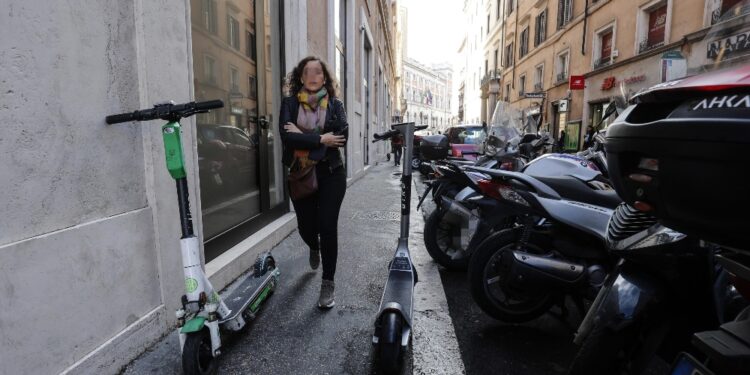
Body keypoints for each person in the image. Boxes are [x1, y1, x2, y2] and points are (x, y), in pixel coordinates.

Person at [279, 56, 348, 309]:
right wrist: (320, 140)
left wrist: (304, 136)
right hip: (300, 174)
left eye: (318, 71)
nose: (313, 75)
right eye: (307, 71)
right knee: (307, 228)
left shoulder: (335, 105)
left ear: (324, 78)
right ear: (300, 77)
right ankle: (313, 246)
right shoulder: (288, 104)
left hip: (331, 173)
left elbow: (341, 137)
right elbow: (287, 137)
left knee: (328, 225)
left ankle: (328, 282)